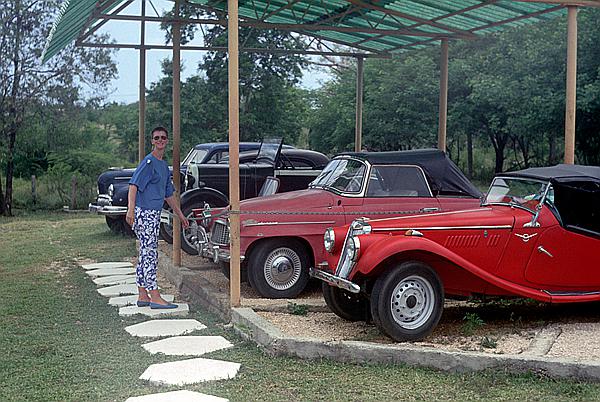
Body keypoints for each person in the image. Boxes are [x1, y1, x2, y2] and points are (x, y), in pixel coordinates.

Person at [126, 126, 189, 309]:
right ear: (152, 141)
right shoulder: (148, 162)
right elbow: (133, 186)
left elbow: (168, 194)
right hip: (144, 213)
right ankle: (155, 295)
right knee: (150, 253)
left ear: (166, 141)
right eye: (156, 138)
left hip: (154, 213)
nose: (160, 140)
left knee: (145, 252)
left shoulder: (162, 165)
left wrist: (180, 214)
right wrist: (131, 210)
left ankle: (142, 294)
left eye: (163, 137)